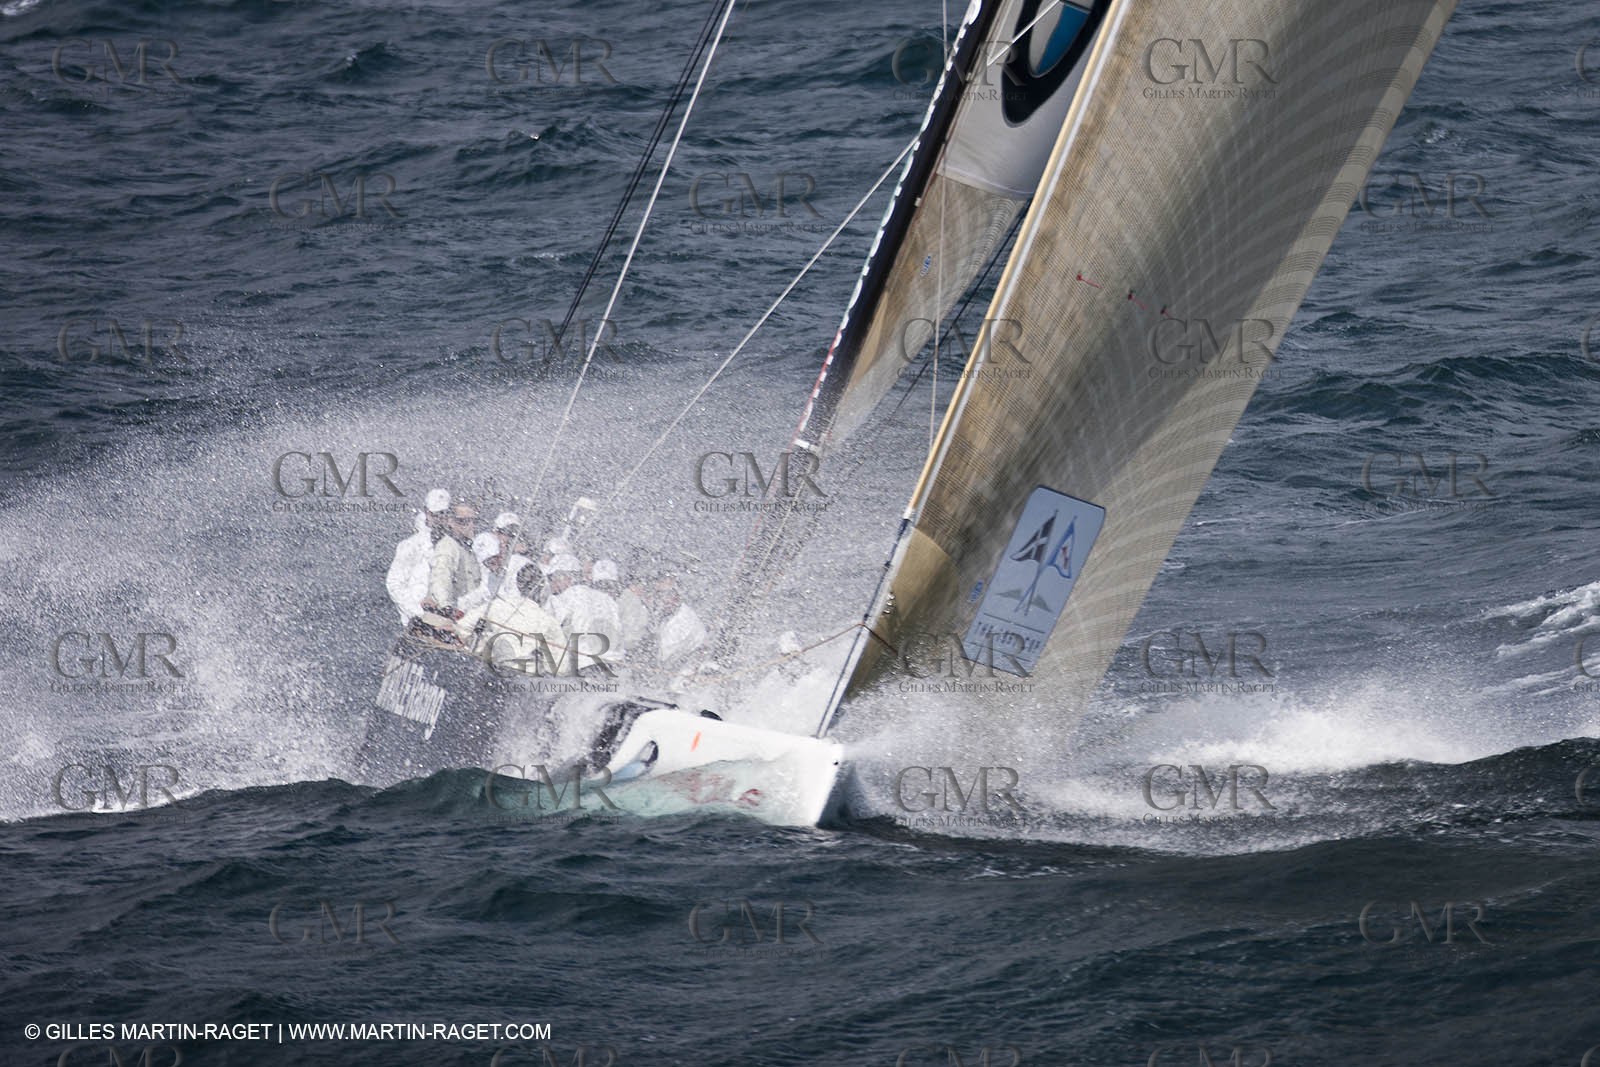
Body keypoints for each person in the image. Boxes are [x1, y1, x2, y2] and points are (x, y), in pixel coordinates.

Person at [458, 562, 569, 674]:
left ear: (518, 584)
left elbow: (462, 628)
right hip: (525, 678)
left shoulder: (496, 605)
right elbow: (560, 665)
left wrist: (478, 645)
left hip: (491, 672)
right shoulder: (548, 621)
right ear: (541, 588)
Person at [546, 553, 624, 672]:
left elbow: (548, 626)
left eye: (554, 578)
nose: (552, 583)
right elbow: (619, 631)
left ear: (567, 578)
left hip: (586, 663)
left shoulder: (565, 597)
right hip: (614, 662)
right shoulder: (608, 600)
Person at [384, 488, 449, 624]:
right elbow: (394, 585)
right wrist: (419, 613)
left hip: (445, 619)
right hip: (416, 621)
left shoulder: (453, 547)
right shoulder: (410, 546)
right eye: (435, 514)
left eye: (443, 514)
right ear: (427, 512)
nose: (439, 519)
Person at [426, 503, 482, 621]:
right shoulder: (448, 546)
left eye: (474, 521)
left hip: (467, 617)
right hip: (450, 618)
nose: (470, 526)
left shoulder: (469, 549)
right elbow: (441, 578)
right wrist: (446, 608)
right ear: (451, 522)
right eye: (463, 521)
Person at [651, 573, 707, 670]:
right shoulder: (667, 614)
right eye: (658, 594)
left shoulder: (683, 621)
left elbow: (664, 657)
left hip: (686, 671)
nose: (662, 600)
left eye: (667, 595)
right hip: (676, 668)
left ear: (677, 596)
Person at [592, 559, 651, 652]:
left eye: (609, 585)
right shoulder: (590, 603)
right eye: (600, 585)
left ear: (617, 584)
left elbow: (632, 637)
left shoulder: (630, 602)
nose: (605, 590)